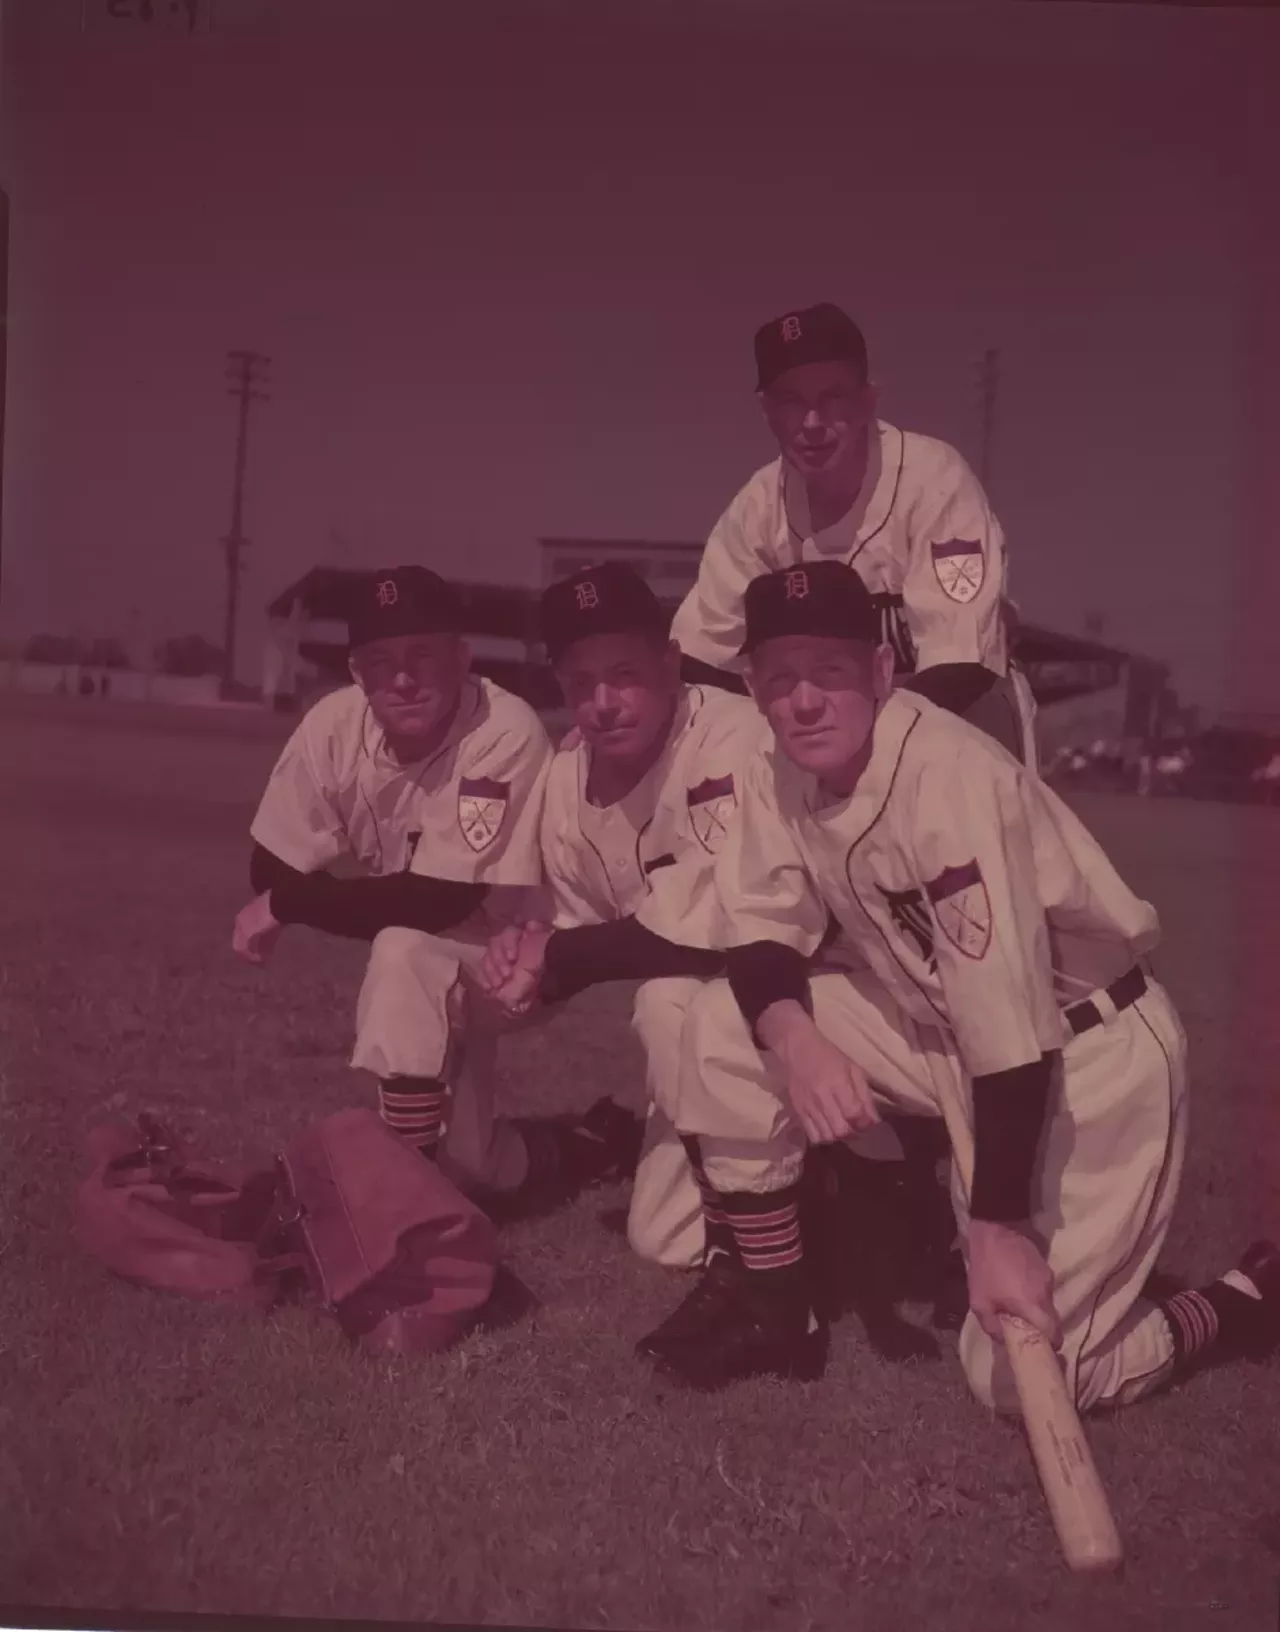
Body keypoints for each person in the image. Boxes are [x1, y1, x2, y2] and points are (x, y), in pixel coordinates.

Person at [641, 559, 1278, 1402]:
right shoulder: (776, 767)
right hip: (943, 1033)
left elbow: (1010, 1032)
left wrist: (996, 1225)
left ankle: (1239, 1303)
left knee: (1026, 1378)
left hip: (1087, 1053)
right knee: (725, 1021)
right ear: (753, 687)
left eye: (830, 671)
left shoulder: (947, 776)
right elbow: (759, 931)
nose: (804, 700)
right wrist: (795, 1041)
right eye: (781, 676)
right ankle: (773, 1303)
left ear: (880, 671)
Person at [231, 564, 641, 1213]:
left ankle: (403, 1204)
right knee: (478, 1165)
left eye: (423, 654)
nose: (402, 677)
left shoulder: (501, 731)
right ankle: (602, 1139)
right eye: (381, 660)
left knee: (402, 947)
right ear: (357, 672)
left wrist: (288, 905)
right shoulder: (334, 726)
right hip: (442, 954)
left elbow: (435, 901)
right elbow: (272, 863)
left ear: (463, 657)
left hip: (523, 962)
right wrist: (283, 892)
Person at [671, 302, 1036, 768]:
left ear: (868, 400)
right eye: (791, 401)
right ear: (767, 411)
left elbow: (960, 667)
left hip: (964, 735)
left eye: (833, 398)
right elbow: (697, 660)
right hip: (835, 748)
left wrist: (843, 746)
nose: (812, 423)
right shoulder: (757, 510)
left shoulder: (932, 480)